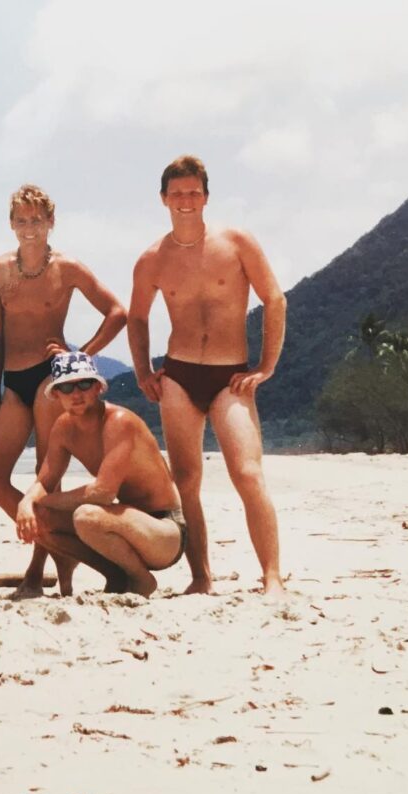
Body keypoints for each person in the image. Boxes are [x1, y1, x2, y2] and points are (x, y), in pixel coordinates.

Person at [127, 155, 286, 597]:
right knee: (186, 480)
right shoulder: (152, 260)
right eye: (177, 193)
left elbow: (274, 299)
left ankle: (272, 577)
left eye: (193, 192)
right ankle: (201, 577)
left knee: (248, 473)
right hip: (178, 375)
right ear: (163, 199)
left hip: (230, 375)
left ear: (206, 196)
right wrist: (143, 371)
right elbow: (136, 317)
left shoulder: (236, 243)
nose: (185, 200)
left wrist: (266, 367)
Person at [0, 184, 126, 599]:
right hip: (12, 383)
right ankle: (58, 543)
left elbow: (118, 313)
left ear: (51, 222)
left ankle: (39, 572)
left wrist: (81, 358)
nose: (29, 228)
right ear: (11, 224)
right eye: (21, 221)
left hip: (49, 379)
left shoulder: (68, 267)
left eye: (36, 220)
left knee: (47, 478)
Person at [16, 352, 186, 597]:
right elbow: (45, 481)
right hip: (124, 524)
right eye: (66, 387)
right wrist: (27, 502)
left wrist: (39, 500)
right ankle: (116, 576)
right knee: (39, 518)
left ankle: (141, 580)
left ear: (97, 387)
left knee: (86, 516)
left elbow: (103, 493)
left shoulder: (119, 421)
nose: (76, 393)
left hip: (164, 531)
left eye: (84, 383)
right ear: (55, 394)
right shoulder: (63, 427)